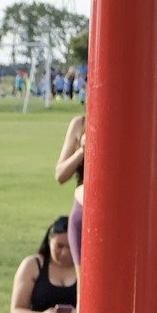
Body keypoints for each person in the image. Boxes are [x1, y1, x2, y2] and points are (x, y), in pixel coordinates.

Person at [10, 216, 78, 313]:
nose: (65, 252)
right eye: (59, 246)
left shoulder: (87, 270)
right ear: (49, 241)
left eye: (70, 247)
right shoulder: (33, 265)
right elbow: (16, 311)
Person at [56, 113, 86, 265]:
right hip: (83, 212)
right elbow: (60, 175)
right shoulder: (80, 124)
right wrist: (81, 151)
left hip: (123, 215)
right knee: (85, 284)